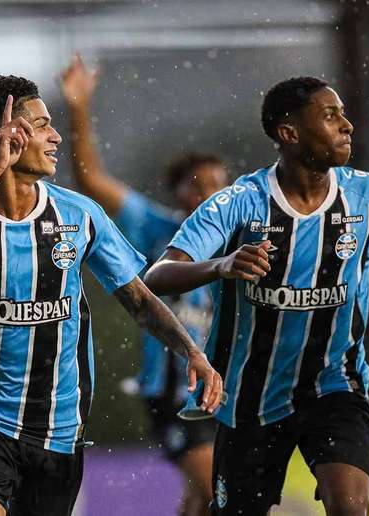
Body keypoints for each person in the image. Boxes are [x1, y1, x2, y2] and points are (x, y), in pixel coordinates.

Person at [0, 75, 223, 516]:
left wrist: (192, 352)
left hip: (58, 429)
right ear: (2, 138)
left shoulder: (79, 214)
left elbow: (139, 299)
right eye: (41, 125)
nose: (54, 137)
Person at [144, 76, 369, 516]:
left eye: (343, 114)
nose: (346, 125)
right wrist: (221, 265)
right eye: (330, 115)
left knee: (350, 506)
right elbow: (158, 275)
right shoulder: (240, 203)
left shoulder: (366, 194)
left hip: (335, 385)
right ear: (289, 133)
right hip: (249, 395)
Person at [60, 54, 228, 516]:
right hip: (176, 391)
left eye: (218, 186)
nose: (208, 195)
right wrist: (79, 108)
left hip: (228, 390)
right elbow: (90, 181)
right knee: (219, 491)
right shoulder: (158, 229)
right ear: (180, 194)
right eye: (198, 186)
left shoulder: (242, 243)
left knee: (202, 500)